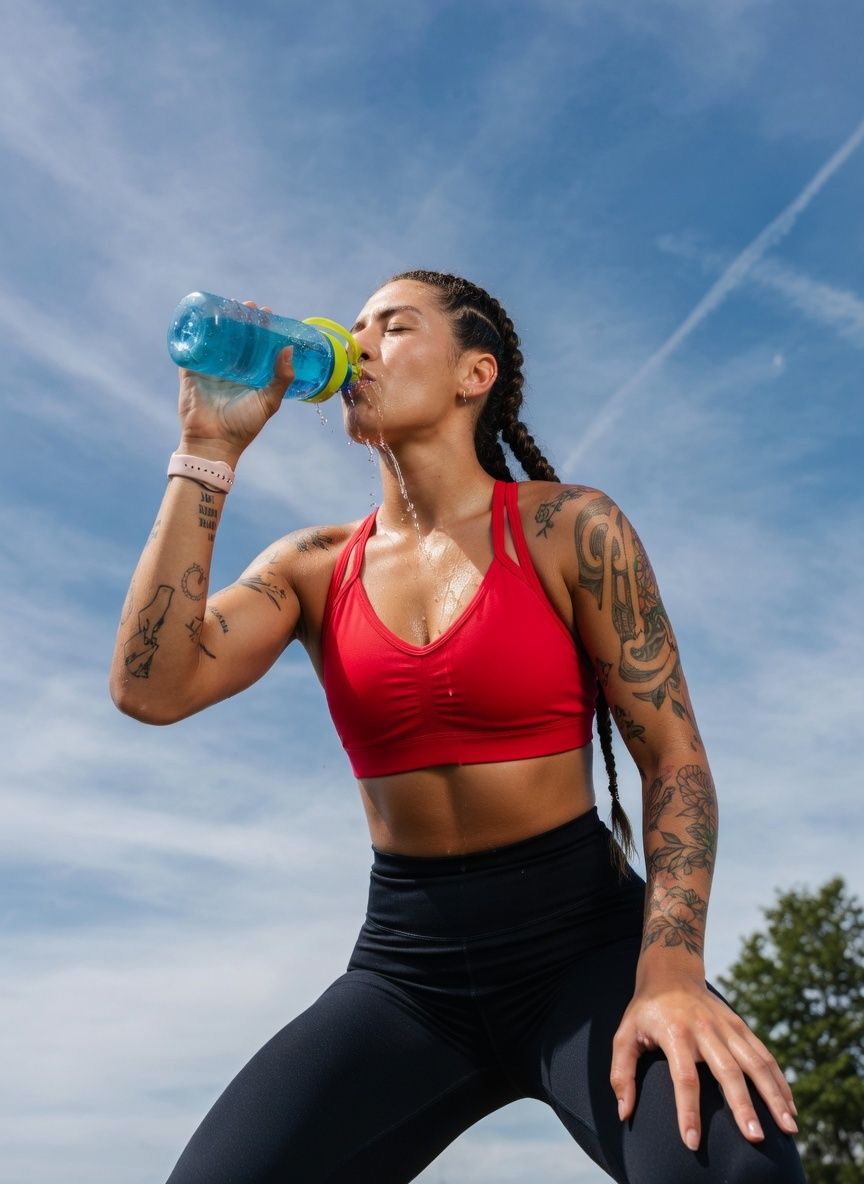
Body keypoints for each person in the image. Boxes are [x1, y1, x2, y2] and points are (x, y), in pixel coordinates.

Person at [110, 270, 806, 1183]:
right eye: (353, 328)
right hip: (408, 970)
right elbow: (151, 688)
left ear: (474, 375)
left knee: (742, 1172)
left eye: (393, 328)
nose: (357, 346)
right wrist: (207, 449)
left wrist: (669, 973)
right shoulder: (313, 568)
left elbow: (672, 756)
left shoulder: (570, 530)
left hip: (584, 945)